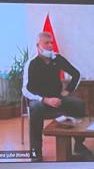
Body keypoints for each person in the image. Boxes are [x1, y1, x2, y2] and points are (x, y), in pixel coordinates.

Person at [22, 31, 88, 160]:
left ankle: (79, 145)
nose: (50, 46)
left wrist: (67, 91)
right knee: (35, 108)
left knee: (79, 104)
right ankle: (36, 153)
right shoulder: (31, 63)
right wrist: (45, 100)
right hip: (39, 101)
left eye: (51, 42)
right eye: (46, 43)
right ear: (38, 46)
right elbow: (25, 90)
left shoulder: (57, 59)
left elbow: (76, 74)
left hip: (57, 99)